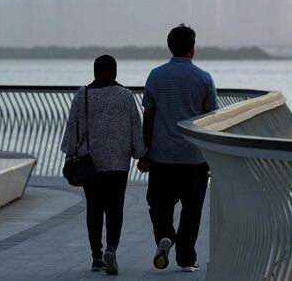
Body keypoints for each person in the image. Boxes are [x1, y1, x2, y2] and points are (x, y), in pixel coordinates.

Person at [138, 24, 217, 273]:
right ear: (192, 48)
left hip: (162, 155)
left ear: (170, 47)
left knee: (159, 204)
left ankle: (165, 235)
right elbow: (210, 118)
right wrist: (211, 155)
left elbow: (149, 115)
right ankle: (186, 259)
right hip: (194, 156)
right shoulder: (204, 78)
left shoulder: (155, 75)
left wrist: (145, 151)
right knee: (192, 209)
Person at [61, 55, 146, 276]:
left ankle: (97, 257)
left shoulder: (83, 95)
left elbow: (72, 128)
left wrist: (70, 155)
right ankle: (112, 249)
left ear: (95, 71)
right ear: (115, 72)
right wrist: (141, 155)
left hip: (91, 164)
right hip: (118, 164)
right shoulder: (126, 96)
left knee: (94, 209)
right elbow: (136, 129)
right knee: (115, 209)